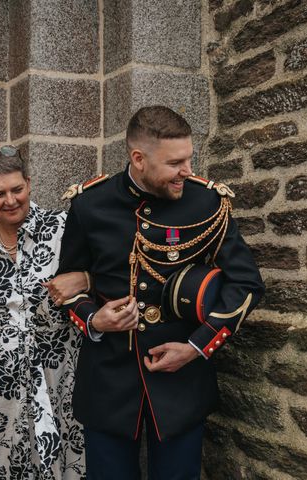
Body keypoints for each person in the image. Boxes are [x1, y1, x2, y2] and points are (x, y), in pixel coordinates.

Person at [55, 106, 265, 479]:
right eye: (175, 163)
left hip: (181, 382)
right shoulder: (89, 204)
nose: (187, 170)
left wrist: (197, 346)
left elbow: (246, 283)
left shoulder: (207, 203)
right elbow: (66, 285)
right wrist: (94, 318)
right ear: (138, 158)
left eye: (188, 158)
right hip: (107, 381)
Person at [0, 145, 87, 480]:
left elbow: (107, 278)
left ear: (29, 183)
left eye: (17, 189)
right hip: (1, 385)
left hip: (60, 381)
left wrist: (85, 277)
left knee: (60, 465)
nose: (11, 200)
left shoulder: (62, 228)